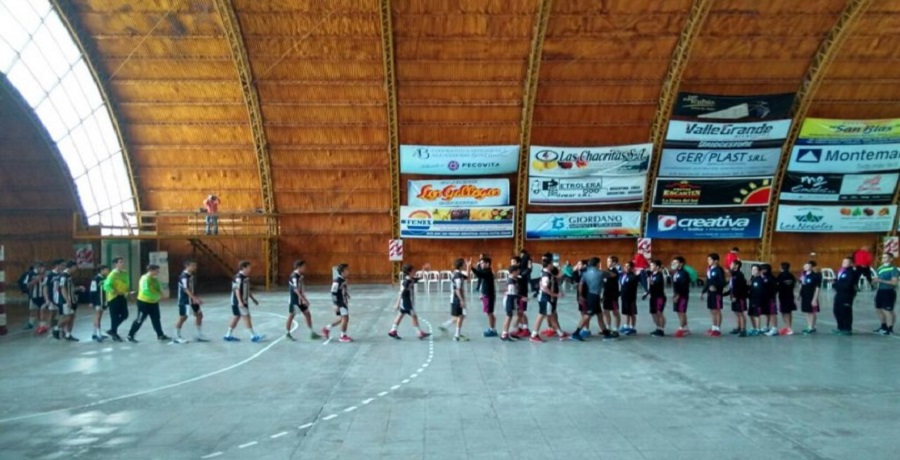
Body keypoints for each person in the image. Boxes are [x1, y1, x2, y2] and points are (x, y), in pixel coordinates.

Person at [127, 264, 170, 342]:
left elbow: (159, 287)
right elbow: (145, 291)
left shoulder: (155, 279)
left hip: (153, 302)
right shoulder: (145, 279)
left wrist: (162, 293)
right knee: (140, 319)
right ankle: (130, 335)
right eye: (157, 270)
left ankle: (160, 334)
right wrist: (157, 297)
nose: (158, 272)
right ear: (151, 270)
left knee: (156, 319)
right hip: (144, 302)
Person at [388, 264, 431, 340]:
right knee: (414, 316)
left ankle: (393, 330)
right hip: (406, 302)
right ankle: (419, 333)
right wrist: (397, 303)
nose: (415, 271)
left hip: (406, 302)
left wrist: (423, 270)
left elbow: (418, 278)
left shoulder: (410, 279)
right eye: (413, 270)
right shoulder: (407, 282)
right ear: (409, 272)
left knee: (401, 314)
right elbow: (401, 292)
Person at [224, 261, 263, 343]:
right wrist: (240, 302)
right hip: (238, 301)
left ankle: (228, 335)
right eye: (249, 267)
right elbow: (236, 290)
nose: (250, 269)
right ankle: (253, 336)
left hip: (243, 301)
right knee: (246, 317)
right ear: (243, 268)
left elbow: (246, 290)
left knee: (236, 317)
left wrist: (252, 298)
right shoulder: (238, 278)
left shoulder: (246, 278)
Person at [283, 260, 321, 341]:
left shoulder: (300, 276)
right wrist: (303, 299)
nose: (305, 268)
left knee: (307, 314)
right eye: (303, 267)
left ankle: (312, 332)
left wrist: (305, 298)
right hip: (295, 300)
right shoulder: (294, 276)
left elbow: (301, 289)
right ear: (299, 267)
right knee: (291, 316)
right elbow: (296, 289)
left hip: (301, 299)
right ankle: (287, 333)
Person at [174, 259, 209, 343]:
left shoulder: (191, 276)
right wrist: (195, 299)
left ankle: (198, 335)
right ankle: (177, 336)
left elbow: (192, 289)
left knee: (199, 315)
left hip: (192, 300)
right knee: (183, 317)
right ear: (187, 266)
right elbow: (186, 289)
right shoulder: (184, 276)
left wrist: (196, 297)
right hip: (185, 300)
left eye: (195, 265)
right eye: (193, 266)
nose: (195, 267)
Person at [531, 256, 564, 342]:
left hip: (545, 298)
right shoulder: (546, 276)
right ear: (549, 265)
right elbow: (545, 288)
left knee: (551, 315)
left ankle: (560, 333)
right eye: (552, 264)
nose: (553, 265)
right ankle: (534, 335)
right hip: (545, 298)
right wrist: (556, 295)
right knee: (541, 316)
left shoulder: (547, 273)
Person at [103, 257, 131, 342]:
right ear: (116, 264)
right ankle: (114, 333)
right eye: (120, 262)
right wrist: (114, 291)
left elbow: (126, 284)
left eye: (123, 262)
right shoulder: (112, 274)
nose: (122, 264)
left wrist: (127, 292)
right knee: (114, 316)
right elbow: (106, 286)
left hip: (122, 296)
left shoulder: (125, 273)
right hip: (114, 298)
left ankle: (112, 329)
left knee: (125, 315)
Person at [323, 263, 352, 342]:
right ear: (342, 271)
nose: (348, 271)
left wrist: (346, 294)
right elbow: (333, 293)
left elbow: (342, 289)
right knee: (345, 318)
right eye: (347, 270)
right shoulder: (337, 281)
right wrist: (335, 304)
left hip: (343, 301)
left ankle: (327, 328)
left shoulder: (344, 279)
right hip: (340, 303)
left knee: (341, 319)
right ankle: (342, 336)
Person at [470, 256, 498, 337]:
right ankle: (492, 328)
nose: (481, 264)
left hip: (489, 295)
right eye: (480, 263)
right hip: (486, 295)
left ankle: (492, 330)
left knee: (489, 313)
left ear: (487, 264)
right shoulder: (485, 271)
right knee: (489, 313)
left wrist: (471, 267)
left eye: (482, 263)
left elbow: (479, 274)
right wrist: (482, 294)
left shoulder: (488, 272)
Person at [700, 253, 726, 337]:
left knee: (717, 311)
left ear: (716, 261)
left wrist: (716, 286)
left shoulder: (719, 270)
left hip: (717, 293)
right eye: (708, 259)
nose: (708, 261)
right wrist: (703, 291)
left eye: (710, 260)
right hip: (710, 293)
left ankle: (718, 329)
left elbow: (722, 282)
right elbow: (708, 281)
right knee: (712, 310)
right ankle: (713, 327)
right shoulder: (710, 269)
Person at [872, 252, 898, 335]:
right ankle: (883, 326)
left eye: (886, 257)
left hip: (889, 292)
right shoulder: (880, 268)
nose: (883, 259)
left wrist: (881, 280)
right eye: (883, 257)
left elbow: (894, 282)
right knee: (878, 309)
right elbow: (877, 279)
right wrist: (874, 281)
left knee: (888, 310)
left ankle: (890, 328)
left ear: (891, 259)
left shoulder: (893, 269)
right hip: (880, 291)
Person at [55, 260, 81, 341]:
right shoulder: (63, 276)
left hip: (72, 299)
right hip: (65, 300)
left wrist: (78, 288)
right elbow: (63, 288)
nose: (76, 269)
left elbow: (70, 288)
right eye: (75, 267)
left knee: (72, 317)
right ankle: (56, 328)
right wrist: (67, 300)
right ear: (72, 267)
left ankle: (68, 335)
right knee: (68, 317)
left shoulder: (69, 276)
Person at [831, 257, 856, 336]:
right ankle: (840, 327)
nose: (843, 263)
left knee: (845, 311)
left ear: (851, 263)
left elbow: (847, 285)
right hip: (839, 293)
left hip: (847, 294)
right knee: (837, 310)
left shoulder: (851, 272)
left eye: (846, 262)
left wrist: (836, 285)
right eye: (843, 261)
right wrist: (836, 284)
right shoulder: (842, 271)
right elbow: (837, 281)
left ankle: (847, 328)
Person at [38, 259, 63, 337]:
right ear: (57, 265)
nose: (63, 267)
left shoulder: (62, 274)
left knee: (60, 315)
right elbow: (45, 288)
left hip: (61, 297)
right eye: (62, 265)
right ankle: (51, 330)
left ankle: (57, 329)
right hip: (52, 298)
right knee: (52, 314)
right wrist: (47, 299)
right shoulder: (49, 275)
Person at [642, 259, 667, 337]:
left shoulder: (659, 275)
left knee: (659, 313)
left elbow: (657, 284)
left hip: (659, 297)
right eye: (650, 265)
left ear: (657, 267)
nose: (651, 267)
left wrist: (649, 280)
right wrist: (646, 293)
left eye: (652, 265)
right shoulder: (652, 275)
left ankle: (661, 330)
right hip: (653, 297)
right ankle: (658, 328)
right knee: (653, 313)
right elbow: (651, 287)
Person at [724, 260, 748, 337]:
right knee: (736, 312)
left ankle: (743, 329)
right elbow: (732, 287)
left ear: (736, 266)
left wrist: (735, 296)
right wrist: (724, 294)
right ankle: (739, 327)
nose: (730, 265)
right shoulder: (733, 275)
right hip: (734, 297)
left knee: (741, 313)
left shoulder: (739, 275)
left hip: (740, 297)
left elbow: (740, 288)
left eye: (732, 264)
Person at [799, 260, 821, 335]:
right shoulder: (803, 275)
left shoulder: (815, 276)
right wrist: (799, 294)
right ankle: (809, 326)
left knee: (812, 312)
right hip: (804, 295)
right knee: (806, 311)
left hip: (811, 296)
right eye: (804, 266)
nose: (806, 267)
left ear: (811, 267)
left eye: (808, 266)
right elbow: (801, 285)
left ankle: (812, 327)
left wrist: (815, 298)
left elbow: (817, 288)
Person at [671, 256, 691, 338]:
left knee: (682, 311)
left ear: (681, 264)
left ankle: (681, 328)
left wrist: (678, 295)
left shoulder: (684, 273)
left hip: (682, 295)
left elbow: (683, 285)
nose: (673, 264)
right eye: (673, 262)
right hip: (676, 294)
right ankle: (685, 327)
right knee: (679, 312)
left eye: (675, 263)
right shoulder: (675, 273)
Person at [500, 265, 521, 341]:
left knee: (514, 315)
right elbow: (512, 294)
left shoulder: (514, 279)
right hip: (509, 300)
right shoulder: (511, 281)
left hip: (512, 300)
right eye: (517, 271)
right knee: (509, 316)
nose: (519, 272)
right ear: (514, 272)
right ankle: (504, 334)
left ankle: (510, 331)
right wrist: (521, 297)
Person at [90, 264, 110, 342]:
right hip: (98, 300)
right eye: (106, 270)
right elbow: (92, 290)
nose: (107, 271)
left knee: (100, 316)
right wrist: (92, 301)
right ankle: (98, 333)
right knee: (97, 316)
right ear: (101, 270)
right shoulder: (95, 279)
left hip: (103, 300)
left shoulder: (105, 278)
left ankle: (95, 333)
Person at [776, 262, 797, 336]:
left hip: (783, 296)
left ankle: (789, 328)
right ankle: (788, 327)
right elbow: (794, 284)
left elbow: (777, 285)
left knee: (785, 312)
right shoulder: (791, 275)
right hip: (790, 295)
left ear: (781, 268)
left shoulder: (780, 275)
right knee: (788, 312)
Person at [23, 262, 45, 330]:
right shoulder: (30, 274)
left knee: (41, 310)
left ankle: (41, 325)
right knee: (33, 310)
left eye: (43, 268)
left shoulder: (45, 274)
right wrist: (36, 280)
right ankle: (30, 323)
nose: (42, 269)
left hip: (43, 295)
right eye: (40, 267)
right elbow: (26, 285)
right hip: (34, 295)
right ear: (37, 267)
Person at [603, 256, 622, 333]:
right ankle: (608, 327)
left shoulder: (616, 272)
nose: (607, 263)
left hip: (613, 295)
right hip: (606, 294)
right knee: (606, 311)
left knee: (615, 312)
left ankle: (616, 328)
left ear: (614, 263)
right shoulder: (606, 271)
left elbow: (611, 275)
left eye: (609, 261)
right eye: (607, 261)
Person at [619, 262, 639, 335]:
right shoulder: (623, 276)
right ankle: (626, 325)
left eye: (628, 266)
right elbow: (623, 286)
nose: (627, 268)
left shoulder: (633, 277)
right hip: (624, 297)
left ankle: (632, 327)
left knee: (632, 313)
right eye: (625, 266)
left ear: (632, 268)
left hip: (631, 298)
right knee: (626, 312)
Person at [760, 264, 779, 336]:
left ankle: (774, 328)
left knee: (772, 313)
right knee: (766, 313)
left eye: (762, 269)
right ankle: (766, 326)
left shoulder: (771, 278)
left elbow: (775, 288)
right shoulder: (762, 277)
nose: (761, 271)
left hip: (770, 298)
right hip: (764, 298)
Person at [747, 264, 765, 336]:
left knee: (756, 314)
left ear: (759, 271)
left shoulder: (760, 280)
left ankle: (758, 329)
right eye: (752, 269)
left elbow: (760, 291)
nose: (753, 271)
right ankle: (754, 327)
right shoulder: (752, 278)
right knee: (750, 314)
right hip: (751, 299)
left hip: (757, 300)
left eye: (755, 269)